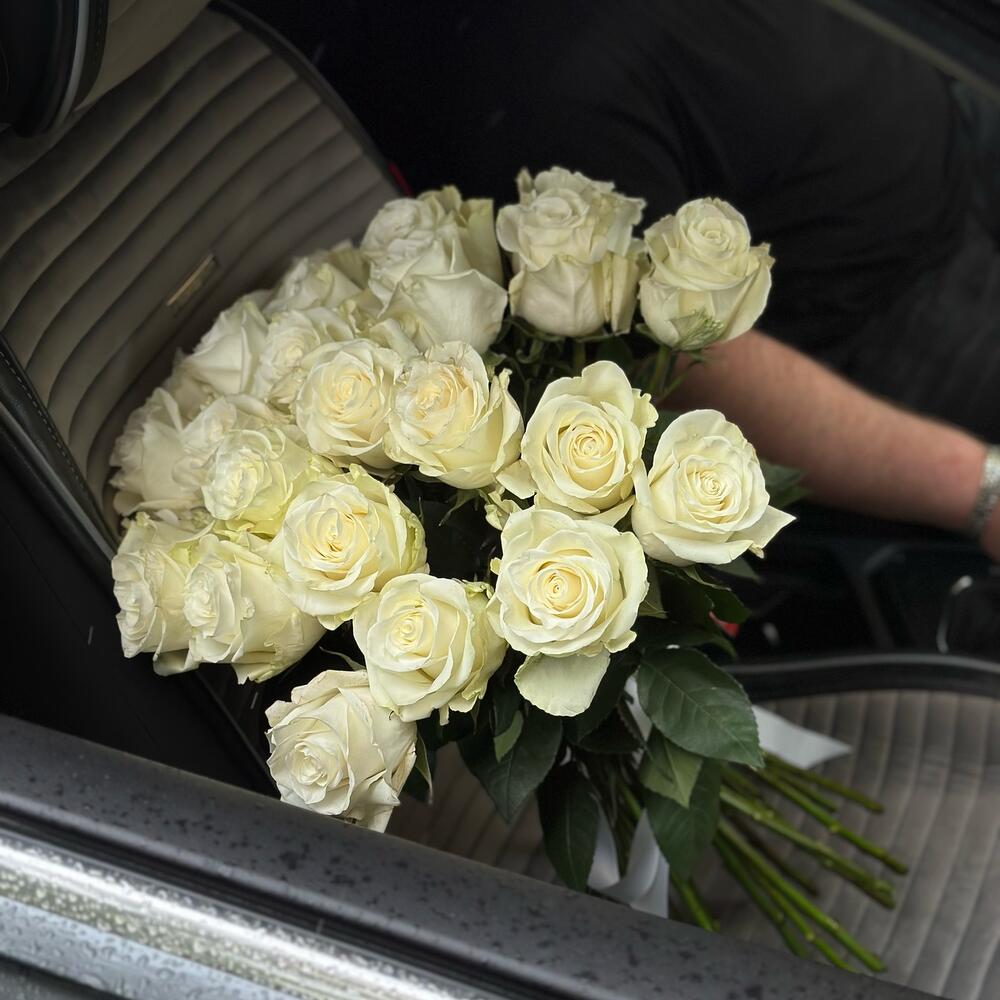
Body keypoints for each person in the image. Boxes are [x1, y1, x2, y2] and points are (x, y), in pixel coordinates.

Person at [287, 0, 1000, 558]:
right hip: (903, 329)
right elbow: (686, 360)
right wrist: (980, 491)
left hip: (954, 103)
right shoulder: (546, 82)